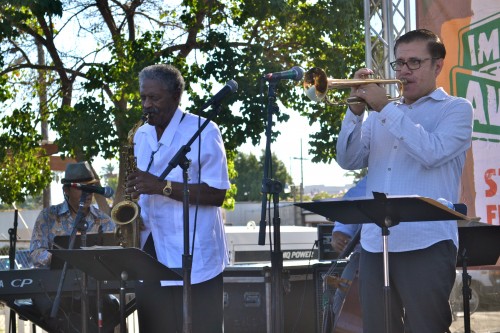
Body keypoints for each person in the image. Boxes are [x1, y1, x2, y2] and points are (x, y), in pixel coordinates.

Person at [335, 29, 473, 333]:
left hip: (426, 241)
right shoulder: (383, 115)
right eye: (399, 63)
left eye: (414, 63)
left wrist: (383, 108)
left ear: (437, 66)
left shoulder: (456, 109)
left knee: (428, 327)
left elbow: (431, 152)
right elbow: (348, 160)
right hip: (375, 244)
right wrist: (355, 113)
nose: (404, 71)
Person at [125, 64, 230, 333]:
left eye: (154, 98)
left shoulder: (205, 130)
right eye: (143, 98)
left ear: (175, 97)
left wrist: (161, 187)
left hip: (196, 256)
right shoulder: (141, 135)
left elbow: (217, 193)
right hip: (151, 249)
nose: (147, 104)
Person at [29, 161, 117, 332]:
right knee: (61, 317)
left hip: (94, 287)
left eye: (91, 187)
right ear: (66, 190)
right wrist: (61, 258)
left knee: (112, 308)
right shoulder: (48, 216)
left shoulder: (103, 219)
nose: (88, 192)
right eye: (81, 187)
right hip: (54, 287)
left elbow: (113, 253)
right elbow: (35, 252)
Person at [329, 176, 366, 326]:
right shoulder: (369, 181)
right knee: (341, 302)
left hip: (413, 254)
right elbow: (346, 212)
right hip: (364, 255)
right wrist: (339, 234)